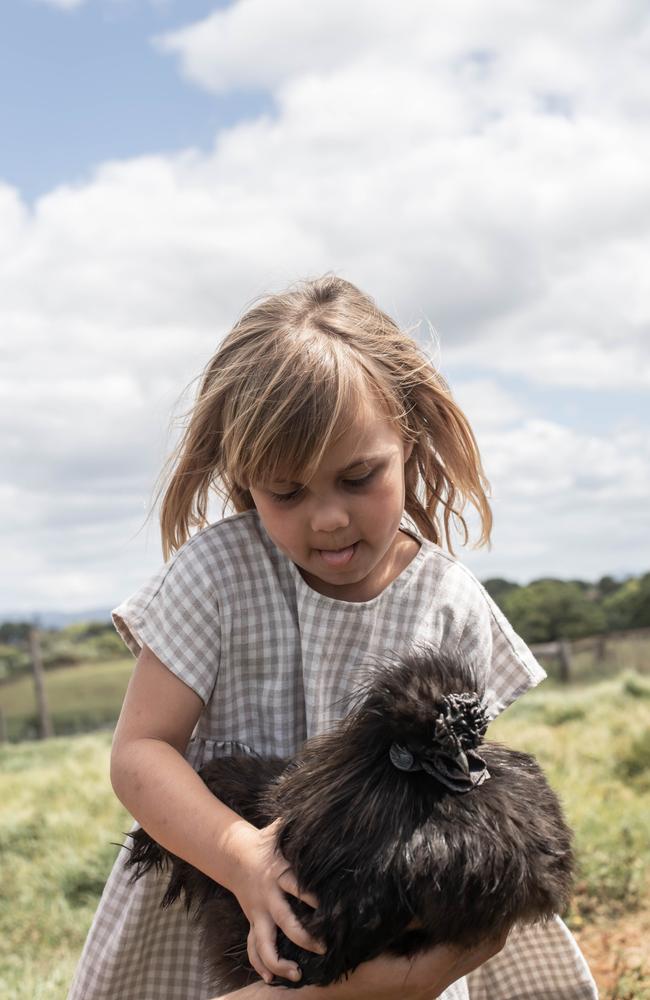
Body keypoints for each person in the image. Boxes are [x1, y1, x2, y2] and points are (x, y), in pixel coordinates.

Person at [68, 275, 597, 1000]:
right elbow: (140, 754)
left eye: (358, 477)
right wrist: (242, 857)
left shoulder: (449, 602)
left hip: (388, 915)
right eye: (286, 492)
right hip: (225, 894)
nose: (327, 519)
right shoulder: (216, 576)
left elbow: (461, 793)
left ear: (407, 436)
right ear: (242, 475)